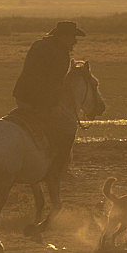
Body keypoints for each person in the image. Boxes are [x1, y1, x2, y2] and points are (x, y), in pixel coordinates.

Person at [12, 20, 86, 175]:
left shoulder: (38, 44)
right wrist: (53, 105)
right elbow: (53, 83)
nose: (75, 41)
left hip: (22, 95)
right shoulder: (61, 54)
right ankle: (59, 168)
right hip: (40, 99)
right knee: (68, 126)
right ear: (64, 37)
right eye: (73, 37)